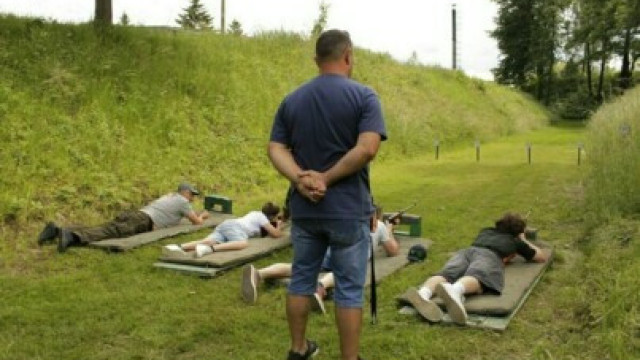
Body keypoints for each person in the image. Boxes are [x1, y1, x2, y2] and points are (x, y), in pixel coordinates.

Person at [268, 29, 386, 360]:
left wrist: (301, 180)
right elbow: (368, 148)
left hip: (305, 211)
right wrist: (328, 178)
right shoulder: (365, 97)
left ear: (316, 60)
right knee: (349, 289)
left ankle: (298, 349)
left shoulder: (292, 100)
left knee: (301, 279)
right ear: (348, 56)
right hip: (348, 211)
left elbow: (275, 147)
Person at [241, 206, 400, 314]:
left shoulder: (347, 218)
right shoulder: (379, 225)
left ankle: (259, 273)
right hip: (351, 256)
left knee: (300, 267)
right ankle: (320, 288)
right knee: (343, 272)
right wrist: (389, 230)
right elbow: (393, 251)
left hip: (330, 250)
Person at [402, 212, 549, 325]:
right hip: (490, 255)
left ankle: (424, 292)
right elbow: (540, 257)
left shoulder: (485, 231)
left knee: (446, 274)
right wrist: (522, 239)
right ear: (517, 232)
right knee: (479, 275)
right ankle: (456, 290)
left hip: (467, 251)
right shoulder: (516, 241)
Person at [37, 183, 210, 253]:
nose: (192, 198)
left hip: (137, 214)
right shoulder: (183, 201)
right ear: (185, 192)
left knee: (104, 226)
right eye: (192, 195)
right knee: (109, 231)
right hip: (144, 221)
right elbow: (196, 222)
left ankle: (57, 230)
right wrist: (202, 214)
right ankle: (72, 236)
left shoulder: (169, 196)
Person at [163, 202, 284, 258]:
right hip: (236, 227)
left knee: (208, 240)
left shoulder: (255, 214)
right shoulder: (261, 217)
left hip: (227, 225)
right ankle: (210, 250)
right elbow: (276, 234)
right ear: (272, 215)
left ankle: (179, 247)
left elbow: (263, 231)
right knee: (242, 243)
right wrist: (278, 224)